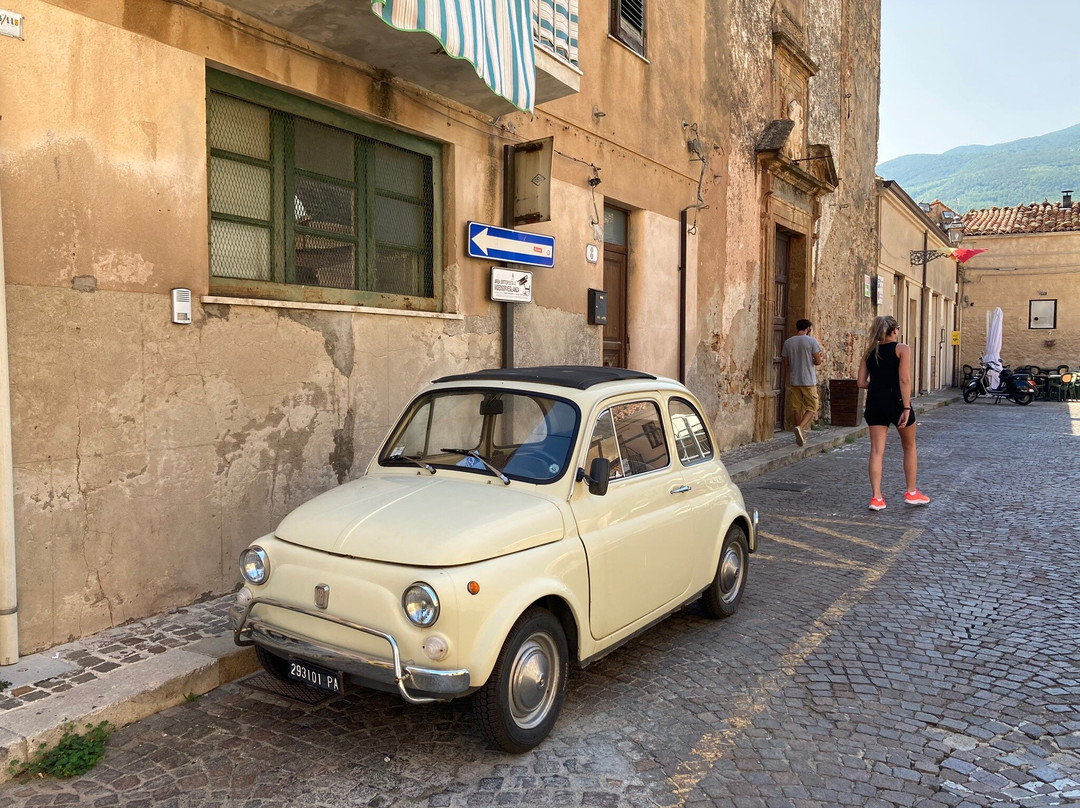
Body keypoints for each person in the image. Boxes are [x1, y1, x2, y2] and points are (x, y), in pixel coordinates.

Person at [856, 315, 929, 510]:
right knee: (909, 446)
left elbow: (861, 383)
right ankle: (912, 492)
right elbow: (904, 379)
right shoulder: (902, 349)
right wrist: (906, 407)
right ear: (894, 330)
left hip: (875, 402)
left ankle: (876, 498)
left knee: (877, 451)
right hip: (896, 402)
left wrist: (878, 386)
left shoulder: (869, 352)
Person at [781, 319, 823, 446]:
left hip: (794, 379)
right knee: (813, 406)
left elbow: (786, 362)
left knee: (797, 407)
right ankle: (800, 428)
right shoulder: (812, 341)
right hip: (808, 379)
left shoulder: (788, 342)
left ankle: (801, 435)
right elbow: (818, 361)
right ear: (808, 328)